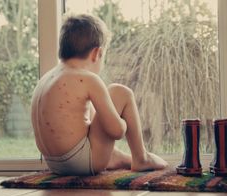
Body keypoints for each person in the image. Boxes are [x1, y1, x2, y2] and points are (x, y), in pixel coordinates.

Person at [31, 14, 168, 176]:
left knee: (92, 112)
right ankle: (141, 157)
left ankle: (120, 158)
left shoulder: (47, 78)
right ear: (97, 53)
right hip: (80, 162)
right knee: (119, 91)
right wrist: (123, 123)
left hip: (54, 163)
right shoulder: (88, 79)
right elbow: (116, 131)